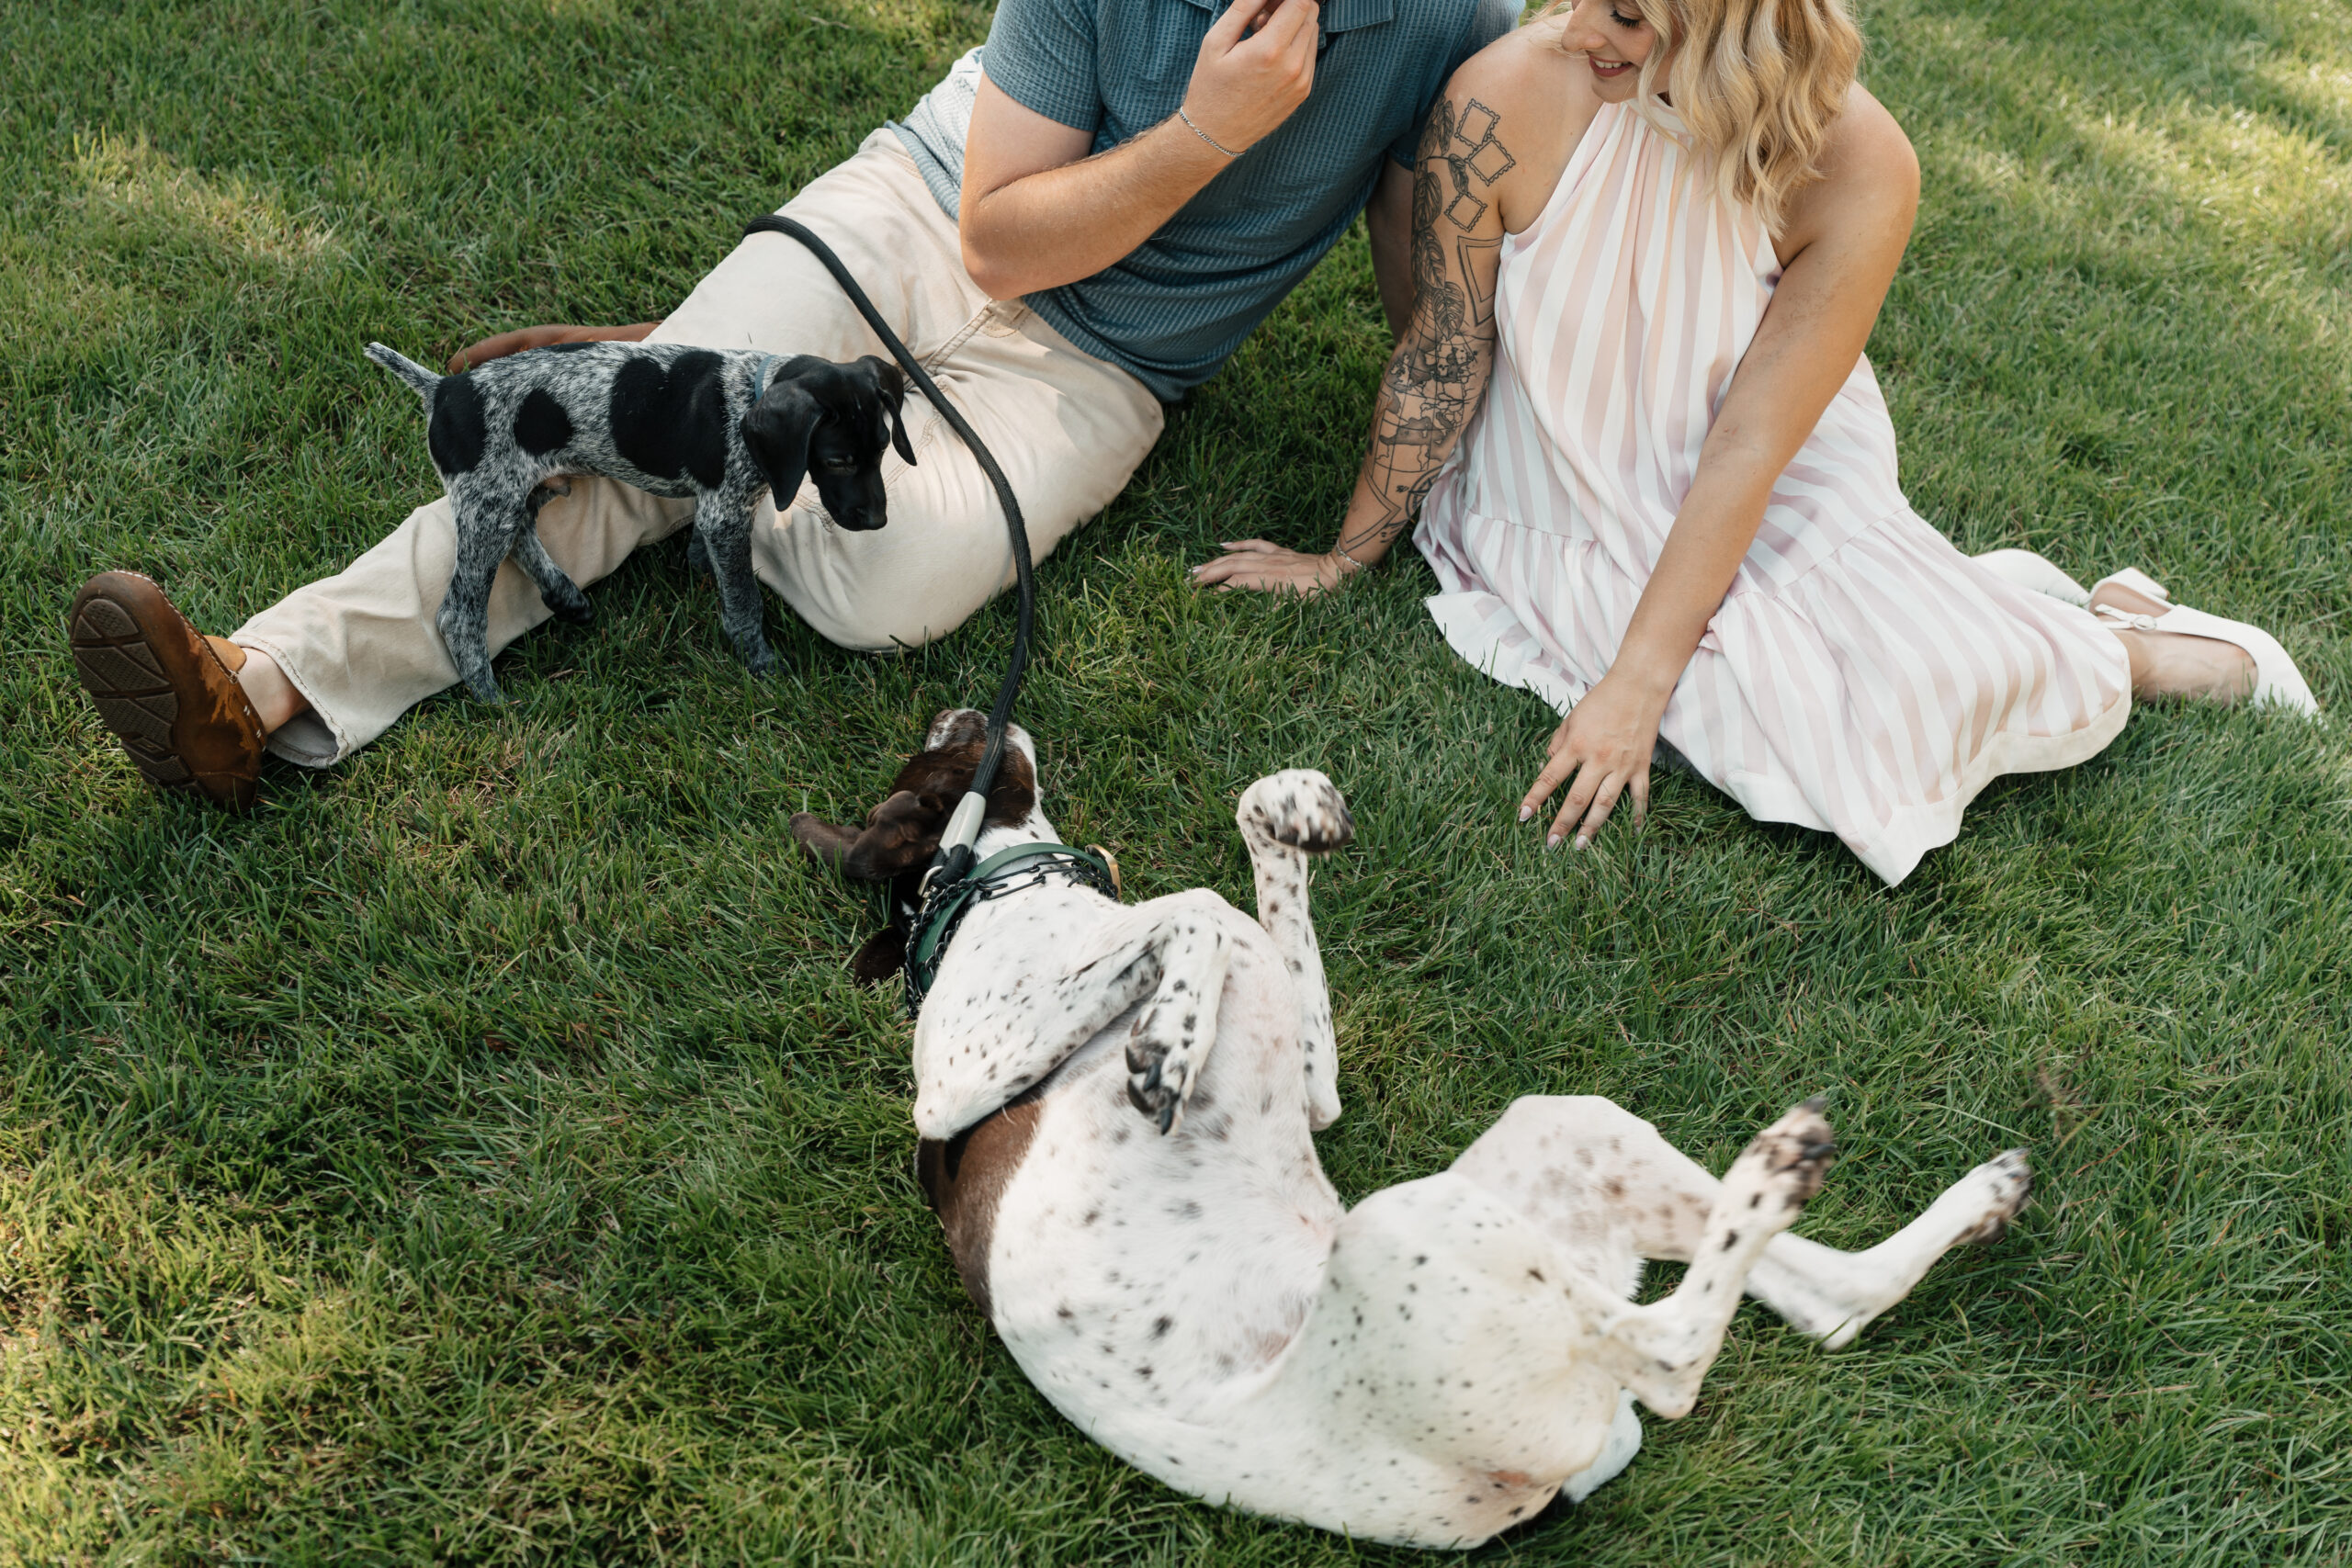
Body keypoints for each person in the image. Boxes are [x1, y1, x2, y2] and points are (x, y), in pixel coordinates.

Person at [67, 0, 1518, 811]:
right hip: (940, 209)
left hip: (1098, 364)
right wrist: (1208, 129)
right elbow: (999, 237)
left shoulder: (1451, 19)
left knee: (880, 590)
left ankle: (703, 369)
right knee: (653, 438)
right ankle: (260, 685)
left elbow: (1424, 265)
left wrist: (1415, 490)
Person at [1193, 0, 2319, 885]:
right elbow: (1443, 348)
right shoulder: (1504, 96)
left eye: (1630, 16)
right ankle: (1989, 612)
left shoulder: (1862, 163)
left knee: (1895, 702)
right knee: (1743, 725)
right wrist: (1345, 553)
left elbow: (1746, 449)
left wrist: (1634, 684)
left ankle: (2123, 645)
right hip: (1554, 485)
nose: (1579, 27)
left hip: (1758, 473)